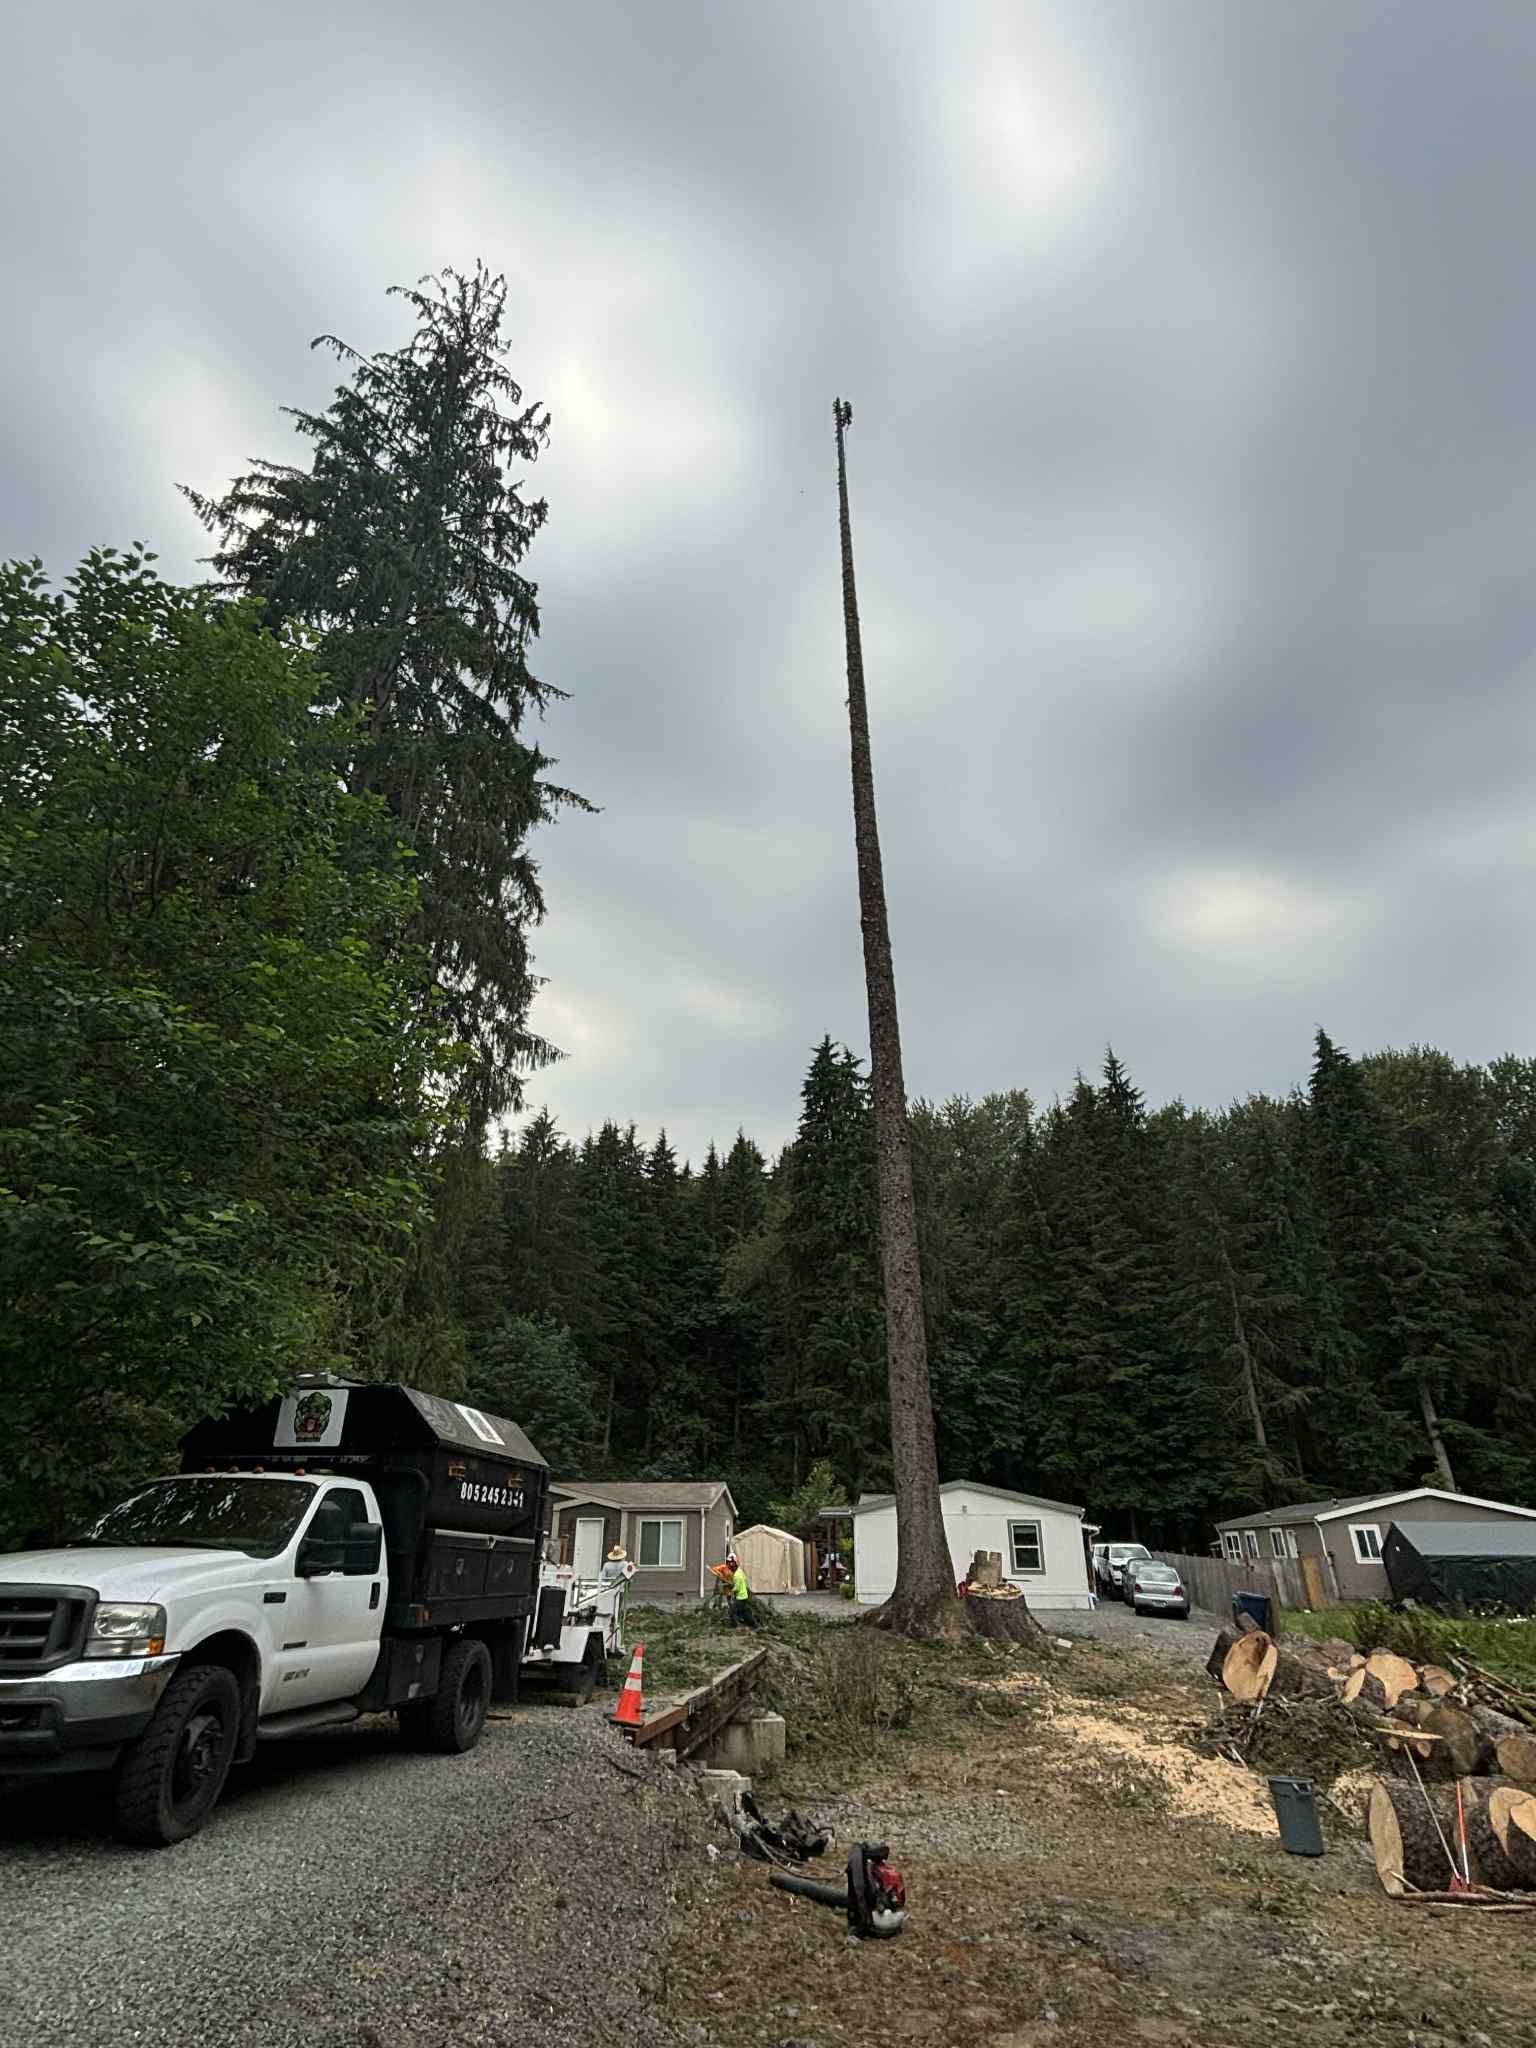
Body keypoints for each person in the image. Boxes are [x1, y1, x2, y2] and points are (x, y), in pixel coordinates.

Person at [726, 1551, 756, 1628]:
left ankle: (736, 1626)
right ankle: (753, 1624)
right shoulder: (740, 1571)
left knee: (732, 1611)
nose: (729, 1564)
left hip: (740, 1597)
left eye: (731, 1563)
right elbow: (744, 1580)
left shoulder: (737, 1575)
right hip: (744, 1595)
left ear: (735, 1562)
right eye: (728, 1562)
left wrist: (730, 1592)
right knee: (744, 1611)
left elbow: (737, 1588)